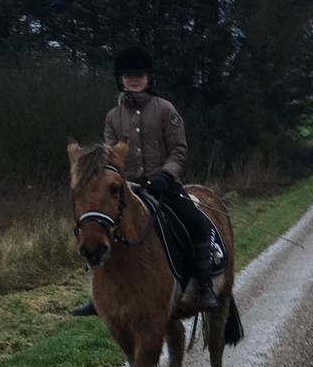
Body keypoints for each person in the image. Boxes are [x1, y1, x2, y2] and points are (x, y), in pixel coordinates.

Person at [71, 47, 220, 315]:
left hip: (165, 185)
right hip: (127, 188)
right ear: (121, 79)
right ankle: (98, 294)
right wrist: (118, 180)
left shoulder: (165, 110)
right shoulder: (112, 117)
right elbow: (109, 155)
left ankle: (205, 284)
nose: (134, 80)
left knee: (196, 223)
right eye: (129, 75)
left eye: (139, 75)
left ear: (149, 78)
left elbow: (179, 149)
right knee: (97, 224)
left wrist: (166, 174)